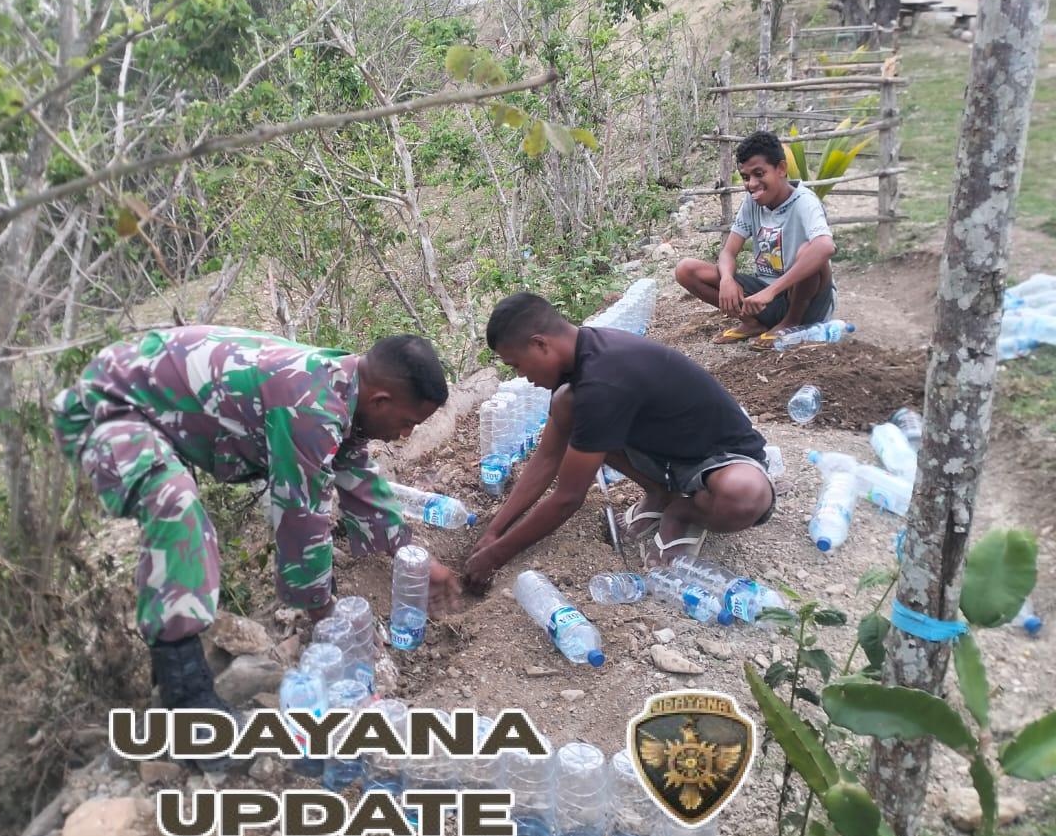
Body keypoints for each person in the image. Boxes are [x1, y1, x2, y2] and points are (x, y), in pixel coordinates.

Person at [52, 326, 461, 718]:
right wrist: (323, 613)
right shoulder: (309, 407)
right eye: (408, 422)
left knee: (180, 506)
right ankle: (186, 694)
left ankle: (173, 661)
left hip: (147, 398)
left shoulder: (344, 384)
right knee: (176, 508)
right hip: (106, 406)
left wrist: (415, 557)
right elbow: (301, 516)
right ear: (381, 401)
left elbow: (356, 473)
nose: (406, 435)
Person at [463, 294, 775, 590]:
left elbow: (568, 498)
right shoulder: (583, 354)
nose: (522, 376)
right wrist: (495, 530)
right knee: (566, 403)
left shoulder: (604, 378)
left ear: (540, 344)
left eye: (516, 364)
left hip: (719, 457)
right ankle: (660, 492)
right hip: (666, 455)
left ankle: (682, 511)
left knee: (743, 496)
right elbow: (545, 459)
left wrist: (496, 556)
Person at [674, 130, 837, 349]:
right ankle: (753, 323)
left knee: (810, 250)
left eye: (759, 174)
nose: (751, 184)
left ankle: (790, 323)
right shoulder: (752, 203)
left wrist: (772, 291)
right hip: (761, 301)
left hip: (806, 303)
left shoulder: (804, 202)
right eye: (745, 177)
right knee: (687, 269)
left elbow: (826, 246)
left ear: (781, 169)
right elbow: (729, 252)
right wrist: (727, 280)